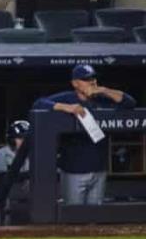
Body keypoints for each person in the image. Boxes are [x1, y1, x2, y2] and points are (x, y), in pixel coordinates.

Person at [31, 65, 135, 205]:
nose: (91, 82)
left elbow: (130, 102)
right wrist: (66, 107)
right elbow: (38, 104)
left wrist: (104, 90)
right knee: (73, 216)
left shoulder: (103, 98)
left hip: (99, 168)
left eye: (93, 78)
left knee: (95, 216)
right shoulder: (67, 98)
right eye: (86, 79)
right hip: (74, 169)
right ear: (75, 83)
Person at [0, 120, 30, 225]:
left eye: (26, 139)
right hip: (5, 208)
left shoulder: (33, 155)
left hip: (28, 207)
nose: (24, 142)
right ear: (11, 139)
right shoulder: (1, 154)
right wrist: (30, 174)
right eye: (20, 138)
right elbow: (2, 179)